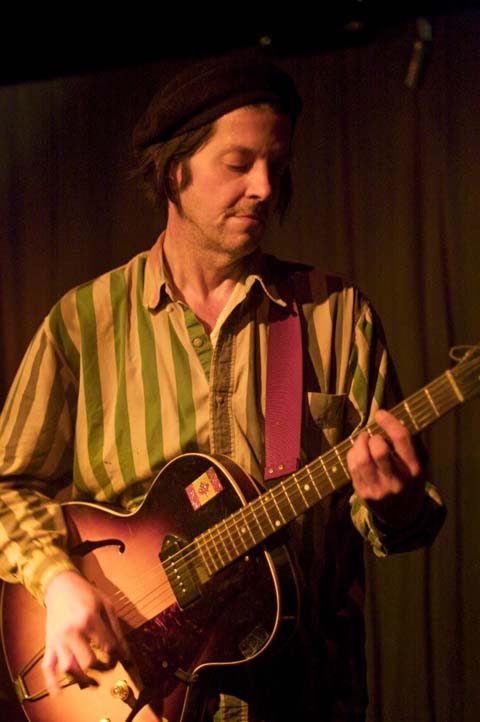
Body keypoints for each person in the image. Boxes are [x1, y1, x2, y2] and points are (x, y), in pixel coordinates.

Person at [0, 51, 445, 722]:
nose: (266, 186)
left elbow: (394, 528)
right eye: (238, 164)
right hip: (134, 694)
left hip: (304, 699)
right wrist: (57, 579)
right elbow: (7, 486)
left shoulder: (336, 315)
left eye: (277, 163)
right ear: (174, 169)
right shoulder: (82, 324)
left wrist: (398, 504)